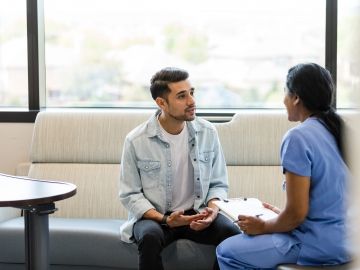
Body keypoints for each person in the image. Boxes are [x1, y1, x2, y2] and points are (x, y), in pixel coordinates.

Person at [216, 63, 351, 269]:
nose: (283, 100)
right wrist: (281, 217)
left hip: (316, 245)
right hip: (347, 241)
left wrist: (263, 226)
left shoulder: (298, 137)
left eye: (285, 93)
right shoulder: (339, 130)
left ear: (296, 97)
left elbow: (296, 214)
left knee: (227, 252)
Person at [119, 67, 240, 270]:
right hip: (158, 217)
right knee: (149, 237)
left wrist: (212, 211)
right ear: (161, 103)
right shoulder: (136, 140)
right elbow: (130, 194)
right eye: (182, 96)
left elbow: (218, 183)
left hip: (197, 213)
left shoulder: (208, 132)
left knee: (232, 235)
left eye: (192, 93)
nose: (192, 101)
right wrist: (165, 219)